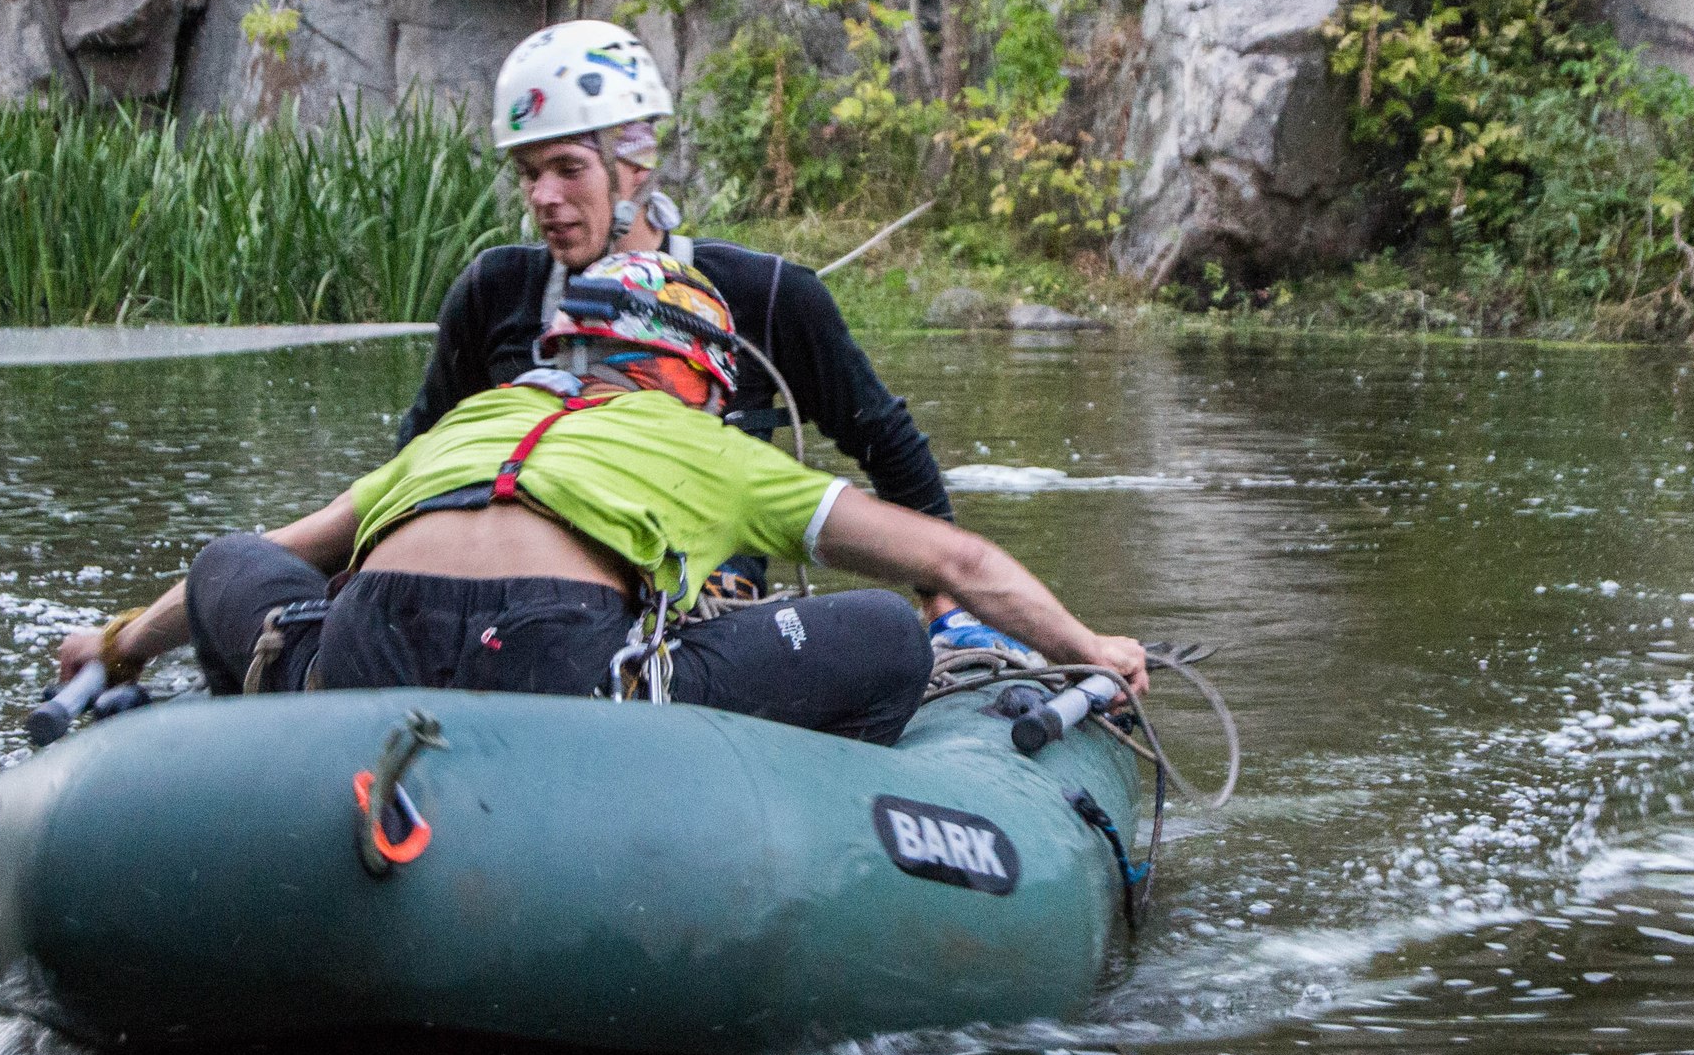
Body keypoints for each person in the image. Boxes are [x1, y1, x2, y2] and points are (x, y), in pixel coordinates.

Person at [58, 252, 1144, 747]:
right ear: (693, 374)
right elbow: (953, 564)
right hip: (555, 663)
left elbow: (255, 559)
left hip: (363, 652)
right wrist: (1089, 644)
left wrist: (115, 646)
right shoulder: (706, 449)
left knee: (227, 562)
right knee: (883, 635)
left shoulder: (462, 428)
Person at [401, 18, 1015, 650]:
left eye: (567, 168)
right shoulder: (493, 290)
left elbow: (886, 445)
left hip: (700, 604)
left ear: (635, 162)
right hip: (529, 589)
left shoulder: (768, 295)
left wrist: (947, 607)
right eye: (529, 173)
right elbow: (419, 451)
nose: (544, 196)